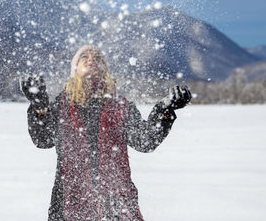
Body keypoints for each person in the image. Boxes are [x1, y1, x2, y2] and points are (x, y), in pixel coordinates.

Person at [21, 45, 191, 220]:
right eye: (84, 57)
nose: (90, 59)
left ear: (105, 69)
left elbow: (145, 141)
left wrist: (165, 109)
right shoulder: (61, 106)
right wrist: (39, 106)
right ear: (75, 68)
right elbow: (42, 139)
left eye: (97, 57)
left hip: (115, 203)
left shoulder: (121, 107)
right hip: (67, 202)